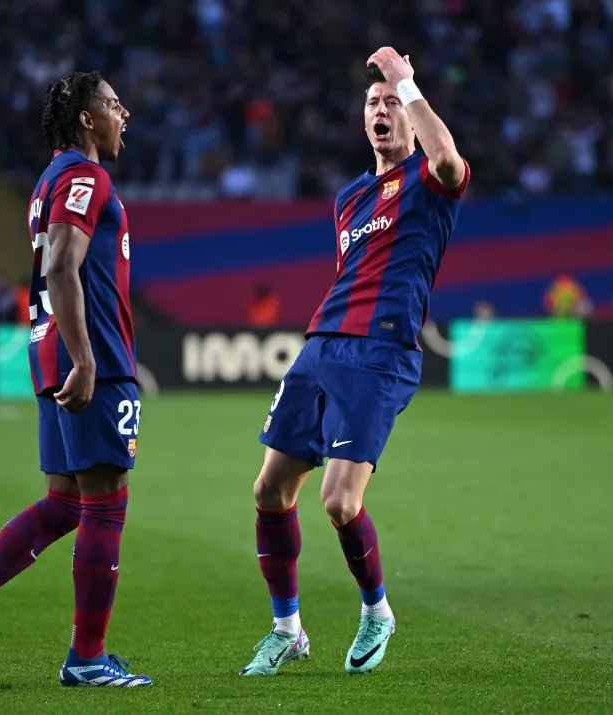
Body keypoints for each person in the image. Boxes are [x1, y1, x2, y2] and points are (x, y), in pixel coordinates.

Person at [0, 70, 153, 688]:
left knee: (65, 502)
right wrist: (87, 358)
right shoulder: (83, 176)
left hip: (50, 354)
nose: (123, 113)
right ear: (84, 118)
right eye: (112, 103)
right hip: (88, 356)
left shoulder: (51, 180)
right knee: (105, 504)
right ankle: (88, 658)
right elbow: (62, 264)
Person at [239, 47, 470, 677]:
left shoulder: (429, 179)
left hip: (381, 353)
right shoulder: (348, 199)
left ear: (410, 113)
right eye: (373, 103)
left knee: (339, 502)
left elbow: (448, 159)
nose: (382, 110)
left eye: (392, 103)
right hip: (321, 346)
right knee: (269, 489)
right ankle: (287, 629)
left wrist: (407, 80)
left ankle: (377, 611)